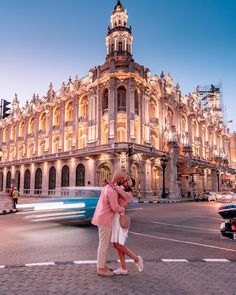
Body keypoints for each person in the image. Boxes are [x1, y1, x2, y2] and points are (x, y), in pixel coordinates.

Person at [92, 171, 127, 277]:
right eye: (123, 179)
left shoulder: (108, 187)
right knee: (103, 244)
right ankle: (101, 269)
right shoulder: (111, 190)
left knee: (103, 244)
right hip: (105, 219)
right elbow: (115, 207)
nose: (123, 182)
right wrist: (122, 209)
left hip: (102, 217)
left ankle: (102, 265)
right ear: (119, 178)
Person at [109, 177, 144, 275]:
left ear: (131, 185)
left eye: (128, 180)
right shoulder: (119, 188)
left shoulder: (128, 194)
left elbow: (121, 193)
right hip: (115, 218)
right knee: (118, 244)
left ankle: (137, 259)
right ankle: (123, 268)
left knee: (118, 244)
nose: (126, 179)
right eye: (126, 178)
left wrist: (115, 185)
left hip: (121, 219)